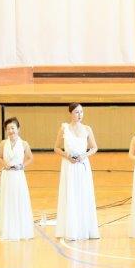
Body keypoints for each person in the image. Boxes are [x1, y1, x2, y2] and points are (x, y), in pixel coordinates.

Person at [54, 102, 100, 241]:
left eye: (81, 112)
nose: (80, 115)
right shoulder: (64, 128)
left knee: (83, 194)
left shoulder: (87, 129)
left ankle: (85, 229)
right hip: (69, 165)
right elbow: (56, 148)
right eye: (76, 112)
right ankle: (71, 230)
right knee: (71, 194)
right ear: (70, 113)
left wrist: (84, 155)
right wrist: (67, 155)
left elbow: (94, 147)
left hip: (82, 165)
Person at [0, 117, 34, 241]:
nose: (11, 131)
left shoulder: (24, 144)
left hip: (18, 176)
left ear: (18, 129)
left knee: (19, 200)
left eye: (13, 128)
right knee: (6, 201)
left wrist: (22, 165)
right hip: (6, 175)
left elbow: (30, 158)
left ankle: (20, 230)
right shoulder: (3, 143)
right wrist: (4, 164)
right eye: (8, 129)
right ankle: (6, 229)